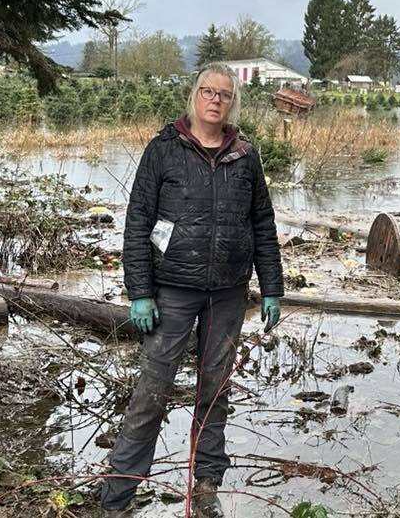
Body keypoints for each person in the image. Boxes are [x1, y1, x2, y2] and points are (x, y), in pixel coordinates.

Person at [99, 63, 283, 516]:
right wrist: (140, 292)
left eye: (225, 94)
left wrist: (272, 288)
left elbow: (263, 224)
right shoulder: (164, 150)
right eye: (208, 92)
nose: (216, 100)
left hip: (228, 293)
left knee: (214, 391)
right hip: (172, 292)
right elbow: (138, 222)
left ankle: (205, 485)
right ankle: (118, 495)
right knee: (152, 390)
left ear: (233, 102)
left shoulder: (246, 156)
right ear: (194, 95)